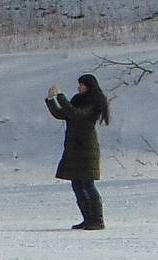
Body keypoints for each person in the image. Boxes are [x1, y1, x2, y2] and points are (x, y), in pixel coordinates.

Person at [45, 74, 110, 230]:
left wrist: (61, 97)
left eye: (82, 85)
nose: (79, 87)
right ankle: (87, 219)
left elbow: (77, 115)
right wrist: (51, 100)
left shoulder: (93, 102)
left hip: (87, 147)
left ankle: (97, 220)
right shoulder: (77, 100)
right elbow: (63, 114)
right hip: (74, 147)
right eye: (79, 84)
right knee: (77, 184)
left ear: (89, 86)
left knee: (87, 183)